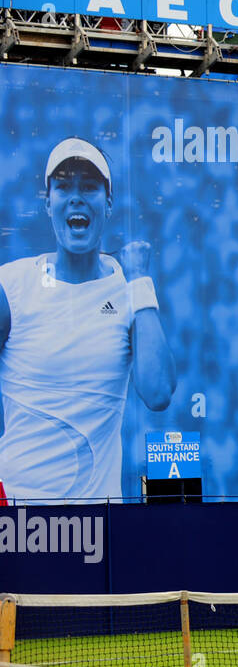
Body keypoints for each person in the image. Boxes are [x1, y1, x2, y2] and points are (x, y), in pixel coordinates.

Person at [0, 138, 176, 502]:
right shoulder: (11, 286)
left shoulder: (130, 287)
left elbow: (158, 392)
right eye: (63, 186)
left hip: (94, 525)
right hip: (13, 520)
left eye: (89, 187)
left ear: (108, 203)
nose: (76, 197)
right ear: (48, 202)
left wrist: (141, 281)